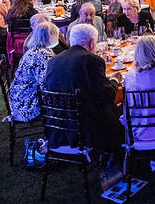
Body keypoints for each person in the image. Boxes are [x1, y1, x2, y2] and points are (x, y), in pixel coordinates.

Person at [44, 23, 122, 155]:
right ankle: (117, 156)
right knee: (117, 109)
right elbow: (108, 95)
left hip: (57, 126)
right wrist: (115, 80)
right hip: (84, 128)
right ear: (91, 42)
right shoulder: (91, 60)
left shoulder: (53, 61)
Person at [9, 21, 59, 122]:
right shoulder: (43, 55)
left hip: (18, 98)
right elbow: (45, 83)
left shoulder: (32, 50)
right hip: (27, 105)